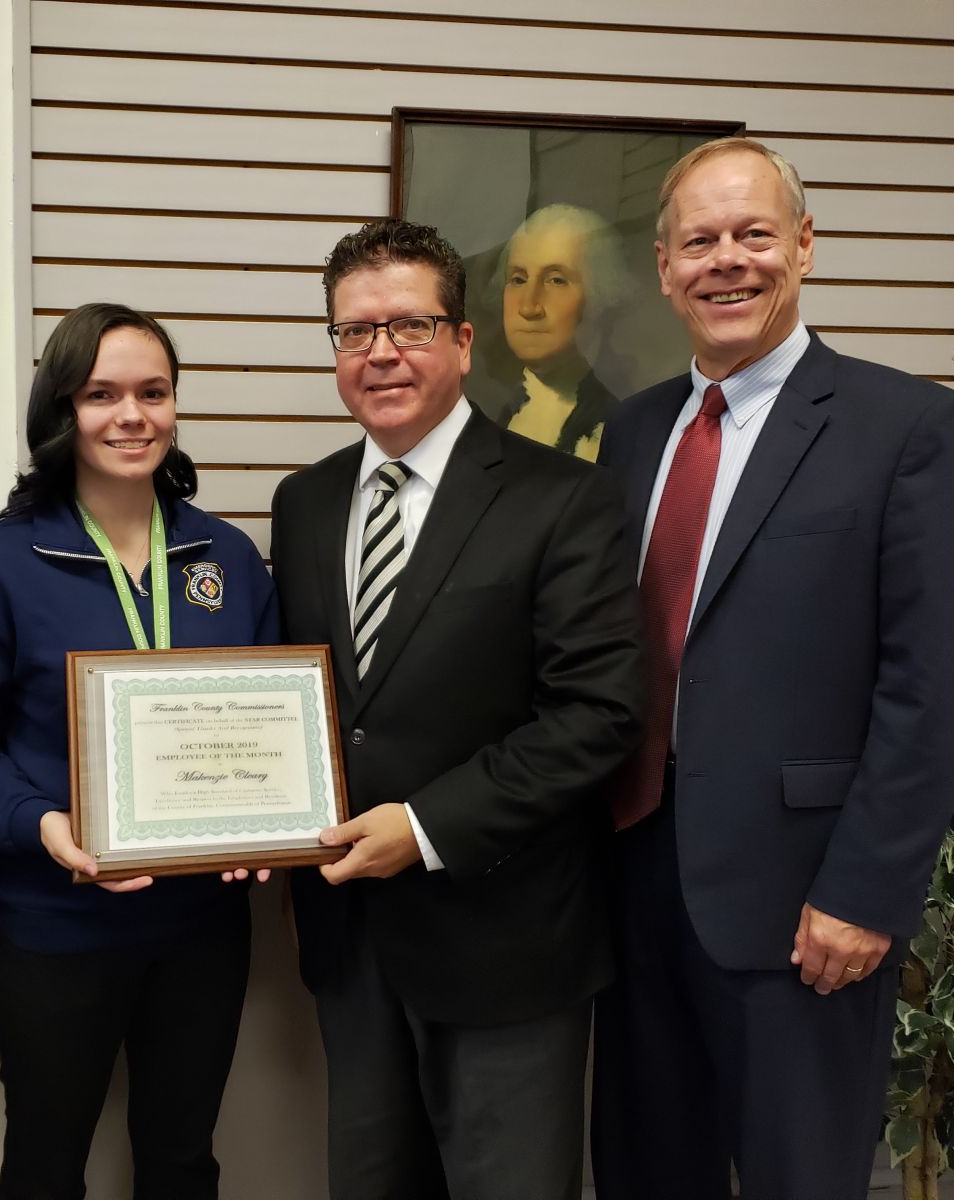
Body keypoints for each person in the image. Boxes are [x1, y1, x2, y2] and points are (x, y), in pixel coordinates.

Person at [589, 137, 954, 1199]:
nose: (727, 261)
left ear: (804, 248)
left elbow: (933, 683)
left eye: (753, 234)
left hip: (804, 909)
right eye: (699, 241)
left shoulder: (905, 427)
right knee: (643, 1169)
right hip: (632, 883)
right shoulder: (631, 435)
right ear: (665, 266)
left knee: (796, 1179)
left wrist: (864, 892)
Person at [269, 219, 643, 1199]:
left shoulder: (562, 499)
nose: (380, 352)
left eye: (409, 325)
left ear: (463, 342)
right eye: (354, 332)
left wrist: (424, 828)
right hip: (352, 943)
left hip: (505, 943)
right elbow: (307, 703)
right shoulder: (302, 503)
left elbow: (595, 715)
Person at [0, 303, 278, 1200]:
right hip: (57, 927)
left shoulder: (228, 557)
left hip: (203, 933)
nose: (133, 415)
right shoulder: (1, 565)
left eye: (153, 393)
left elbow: (270, 724)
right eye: (102, 394)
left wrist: (270, 825)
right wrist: (39, 823)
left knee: (182, 1161)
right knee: (45, 1167)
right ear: (61, 413)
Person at [490, 204, 631, 461]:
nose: (528, 307)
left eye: (556, 280)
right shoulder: (488, 414)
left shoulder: (619, 430)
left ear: (600, 294)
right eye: (518, 280)